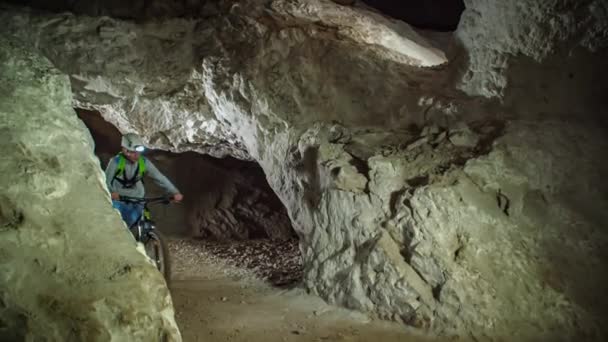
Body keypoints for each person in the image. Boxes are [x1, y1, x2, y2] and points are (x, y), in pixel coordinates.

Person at [105, 133, 183, 227]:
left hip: (137, 197)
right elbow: (106, 181)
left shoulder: (143, 162)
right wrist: (112, 192)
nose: (137, 156)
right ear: (125, 151)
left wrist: (174, 192)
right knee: (116, 224)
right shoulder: (116, 162)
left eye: (138, 153)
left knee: (132, 219)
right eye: (133, 152)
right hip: (119, 198)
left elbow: (160, 178)